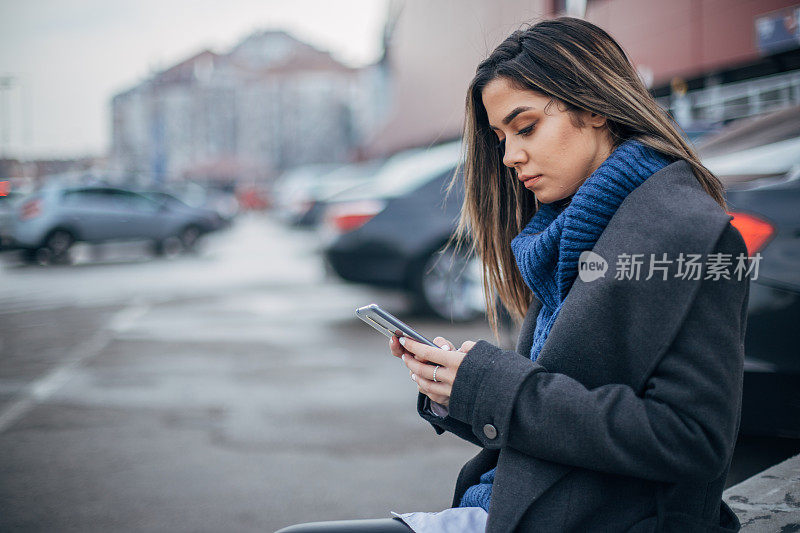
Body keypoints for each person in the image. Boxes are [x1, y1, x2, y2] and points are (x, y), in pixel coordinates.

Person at [277, 17, 749, 533]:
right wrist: (457, 389)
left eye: (525, 128)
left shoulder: (690, 234)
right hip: (512, 505)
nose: (510, 157)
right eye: (500, 137)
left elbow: (690, 442)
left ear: (592, 105)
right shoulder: (564, 234)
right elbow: (559, 407)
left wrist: (492, 386)